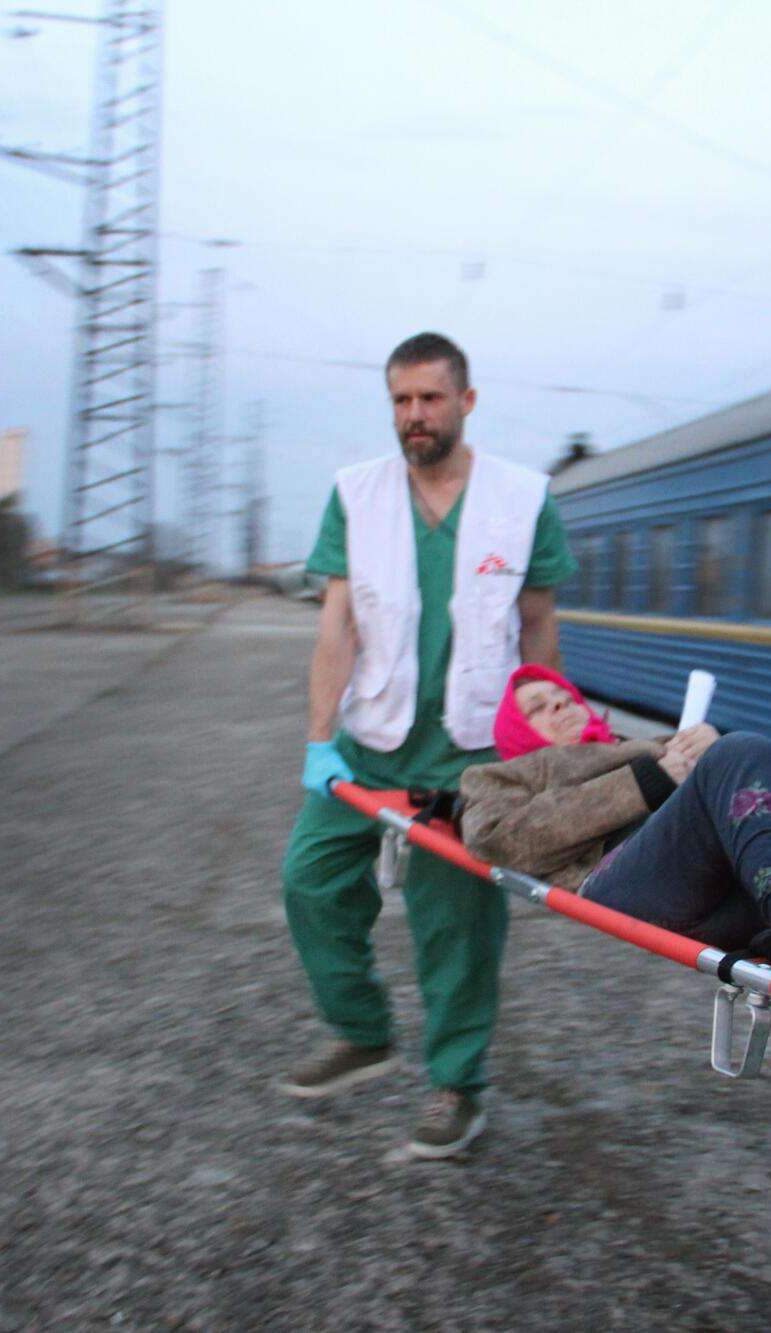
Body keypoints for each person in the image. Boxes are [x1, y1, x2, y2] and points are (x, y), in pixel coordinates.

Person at [279, 332, 576, 1160]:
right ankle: (362, 1030)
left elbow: (539, 626)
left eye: (431, 398)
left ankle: (456, 1082)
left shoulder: (522, 499)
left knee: (457, 926)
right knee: (310, 881)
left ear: (466, 401)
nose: (415, 415)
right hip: (371, 743)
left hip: (470, 754)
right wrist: (317, 740)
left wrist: (543, 749)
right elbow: (336, 624)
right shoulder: (357, 494)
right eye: (402, 401)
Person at [458, 665, 771, 997]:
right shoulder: (503, 774)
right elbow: (495, 835)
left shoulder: (645, 747)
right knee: (741, 747)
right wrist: (654, 779)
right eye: (537, 707)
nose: (558, 704)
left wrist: (698, 754)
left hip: (727, 889)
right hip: (614, 885)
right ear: (514, 732)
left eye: (563, 695)